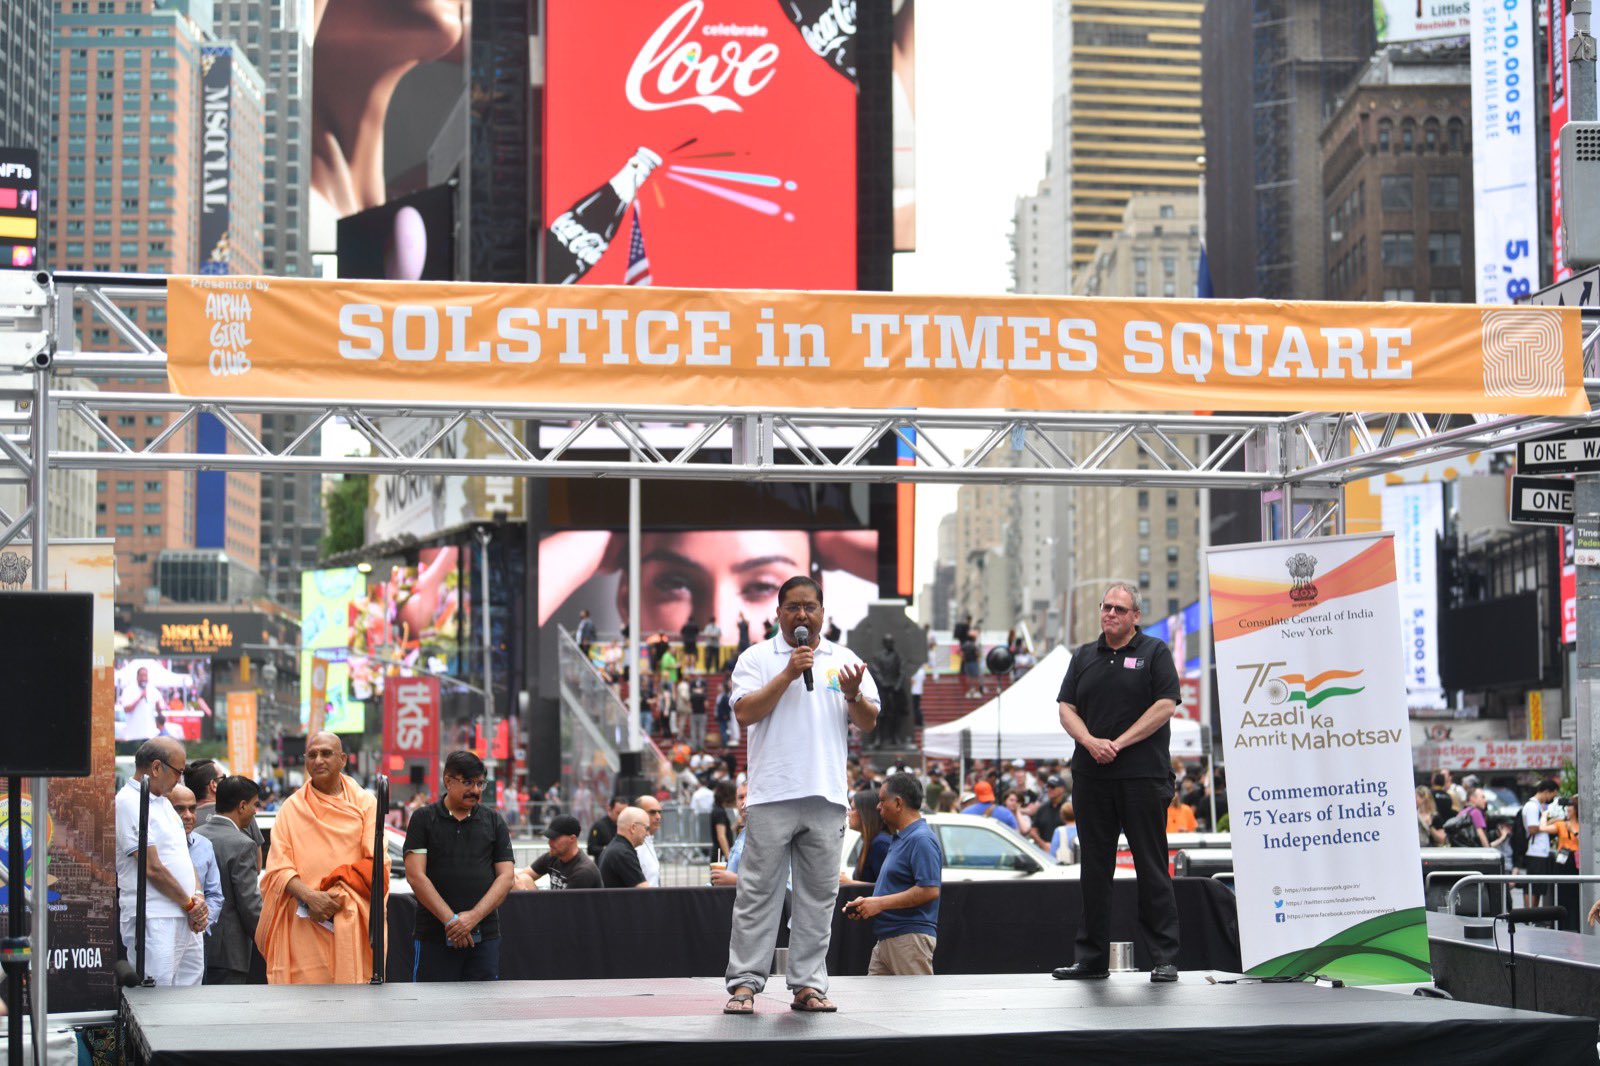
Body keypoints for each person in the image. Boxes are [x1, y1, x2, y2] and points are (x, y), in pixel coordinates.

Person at [722, 575, 879, 1016]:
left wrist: (853, 696)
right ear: (778, 614)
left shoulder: (844, 659)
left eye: (810, 607)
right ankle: (745, 984)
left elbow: (868, 721)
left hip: (826, 793)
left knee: (818, 897)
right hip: (772, 793)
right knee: (757, 893)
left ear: (823, 613)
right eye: (793, 607)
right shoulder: (756, 658)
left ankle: (808, 984)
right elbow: (745, 712)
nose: (802, 615)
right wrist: (789, 671)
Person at [1053, 582, 1182, 984]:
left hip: (1142, 777)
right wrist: (1090, 742)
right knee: (1093, 868)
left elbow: (1166, 704)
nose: (1110, 614)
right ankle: (1091, 959)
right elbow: (1065, 707)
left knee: (1151, 865)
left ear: (1135, 616)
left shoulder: (1154, 652)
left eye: (1119, 609)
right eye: (1106, 607)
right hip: (1092, 777)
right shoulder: (1083, 656)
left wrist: (1119, 743)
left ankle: (1163, 957)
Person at [256, 731, 386, 985]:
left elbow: (376, 864)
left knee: (351, 1001)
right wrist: (310, 897)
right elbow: (277, 868)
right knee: (304, 1000)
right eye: (312, 755)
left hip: (349, 916)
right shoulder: (291, 808)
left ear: (343, 759)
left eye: (326, 754)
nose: (318, 760)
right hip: (305, 920)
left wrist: (339, 896)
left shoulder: (366, 803)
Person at [403, 751, 516, 982]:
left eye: (479, 783)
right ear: (448, 781)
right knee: (431, 1010)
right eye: (467, 782)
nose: (475, 790)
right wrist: (452, 922)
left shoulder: (494, 822)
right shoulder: (423, 819)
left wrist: (472, 918)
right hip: (434, 936)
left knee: (483, 1012)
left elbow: (506, 877)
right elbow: (416, 876)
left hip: (484, 937)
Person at [114, 738, 207, 986]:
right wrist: (190, 905)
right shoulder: (129, 801)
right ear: (156, 768)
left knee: (190, 994)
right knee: (158, 997)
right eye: (179, 771)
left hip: (185, 915)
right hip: (155, 918)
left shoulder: (165, 803)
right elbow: (151, 868)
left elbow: (184, 859)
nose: (180, 779)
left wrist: (197, 896)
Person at [844, 772, 942, 975]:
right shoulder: (902, 838)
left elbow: (930, 890)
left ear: (898, 803)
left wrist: (878, 903)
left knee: (916, 1004)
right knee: (875, 1005)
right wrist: (869, 903)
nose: (878, 807)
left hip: (908, 940)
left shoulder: (921, 839)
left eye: (882, 801)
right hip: (889, 939)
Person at [192, 775, 264, 984]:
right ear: (242, 806)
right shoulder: (243, 844)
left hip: (196, 944)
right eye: (254, 805)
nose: (254, 811)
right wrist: (268, 941)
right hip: (229, 954)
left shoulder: (195, 835)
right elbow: (250, 906)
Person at [168, 784, 222, 986]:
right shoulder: (153, 847)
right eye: (179, 809)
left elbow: (215, 894)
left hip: (195, 935)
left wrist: (203, 920)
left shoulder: (204, 845)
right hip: (162, 932)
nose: (188, 815)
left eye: (192, 808)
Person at [527, 815, 602, 889]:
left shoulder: (584, 871)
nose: (549, 843)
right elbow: (521, 877)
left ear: (572, 838)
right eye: (549, 838)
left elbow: (564, 901)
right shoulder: (553, 856)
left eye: (554, 838)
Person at [1523, 778, 1560, 907]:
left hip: (1540, 852)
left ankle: (1533, 914)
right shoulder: (1532, 806)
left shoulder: (1537, 805)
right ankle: (1529, 915)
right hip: (1535, 852)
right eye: (1551, 795)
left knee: (1538, 888)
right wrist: (1546, 822)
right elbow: (1533, 828)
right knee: (1533, 887)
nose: (1550, 799)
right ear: (1546, 792)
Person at [843, 788, 892, 886]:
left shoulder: (880, 843)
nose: (848, 814)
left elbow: (887, 889)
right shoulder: (870, 841)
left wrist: (851, 883)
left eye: (852, 809)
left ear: (865, 813)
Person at [599, 807, 652, 888]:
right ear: (633, 828)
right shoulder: (623, 853)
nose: (648, 834)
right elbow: (644, 890)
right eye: (647, 828)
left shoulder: (614, 848)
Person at [118, 665, 165, 741]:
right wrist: (140, 698)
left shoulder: (153, 690)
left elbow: (160, 710)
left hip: (150, 734)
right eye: (141, 675)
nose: (143, 678)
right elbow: (126, 709)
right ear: (137, 677)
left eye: (145, 676)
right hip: (133, 735)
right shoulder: (128, 690)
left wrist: (158, 708)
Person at [634, 793, 665, 886]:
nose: (658, 817)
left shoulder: (649, 840)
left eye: (659, 812)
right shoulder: (634, 845)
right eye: (652, 812)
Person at [710, 780, 739, 862]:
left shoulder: (718, 809)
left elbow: (726, 832)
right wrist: (728, 857)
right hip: (720, 856)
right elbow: (721, 836)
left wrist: (737, 822)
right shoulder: (719, 812)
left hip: (719, 854)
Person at [688, 675, 709, 750]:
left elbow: (689, 705)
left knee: (693, 730)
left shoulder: (692, 696)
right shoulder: (703, 695)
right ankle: (701, 745)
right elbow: (706, 705)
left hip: (694, 713)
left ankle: (694, 746)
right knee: (701, 730)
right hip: (702, 713)